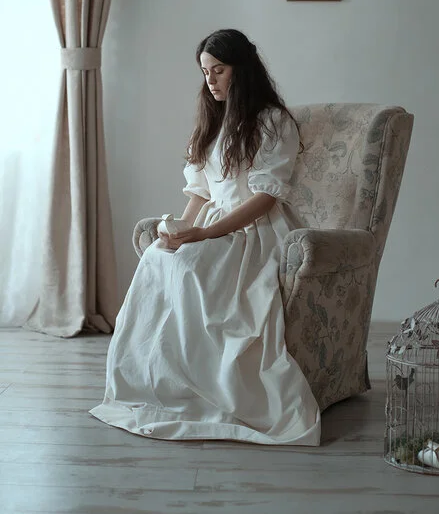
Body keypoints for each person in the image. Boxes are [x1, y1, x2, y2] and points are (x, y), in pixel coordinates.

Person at [89, 29, 321, 446]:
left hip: (253, 229)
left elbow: (266, 198)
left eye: (219, 70)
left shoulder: (272, 121)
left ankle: (209, 388)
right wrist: (180, 231)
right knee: (159, 258)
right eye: (205, 71)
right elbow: (200, 193)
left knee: (193, 267)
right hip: (214, 222)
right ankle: (164, 383)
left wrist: (206, 233)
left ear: (241, 69)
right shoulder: (214, 121)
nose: (210, 80)